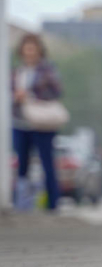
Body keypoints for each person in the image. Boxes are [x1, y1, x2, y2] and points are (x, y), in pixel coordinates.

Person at [12, 34, 63, 211]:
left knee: (47, 162)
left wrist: (32, 95)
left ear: (39, 50)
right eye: (26, 48)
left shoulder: (47, 70)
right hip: (21, 121)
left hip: (42, 123)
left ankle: (53, 203)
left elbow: (57, 92)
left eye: (32, 48)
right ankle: (22, 204)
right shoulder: (18, 71)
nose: (29, 52)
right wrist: (16, 97)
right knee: (21, 164)